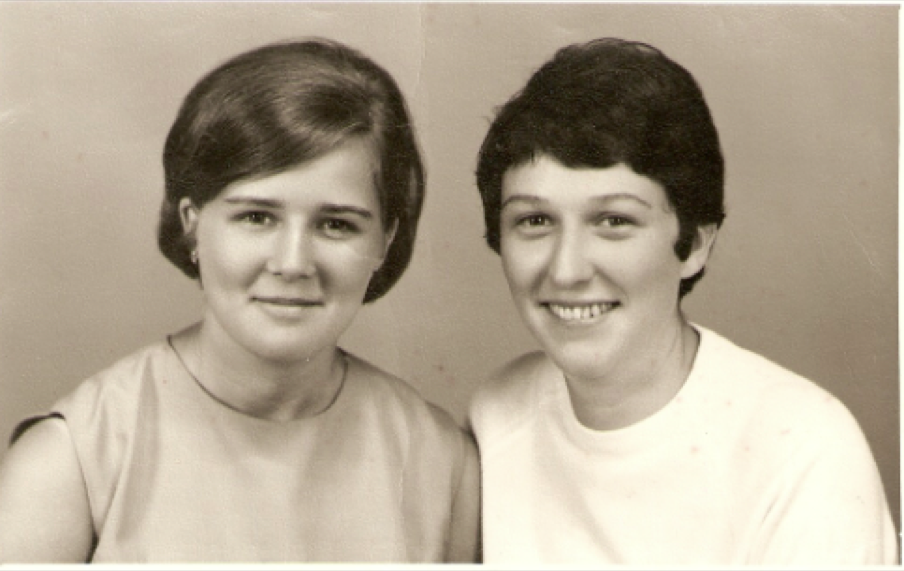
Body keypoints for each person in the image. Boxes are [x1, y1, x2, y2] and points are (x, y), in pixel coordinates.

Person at [0, 38, 479, 563]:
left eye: (336, 224)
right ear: (192, 222)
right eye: (256, 217)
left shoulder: (443, 464)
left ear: (385, 240)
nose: (293, 263)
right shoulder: (69, 462)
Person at [468, 37, 896, 565]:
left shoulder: (803, 447)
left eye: (614, 221)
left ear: (694, 244)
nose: (566, 270)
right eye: (534, 220)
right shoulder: (495, 415)